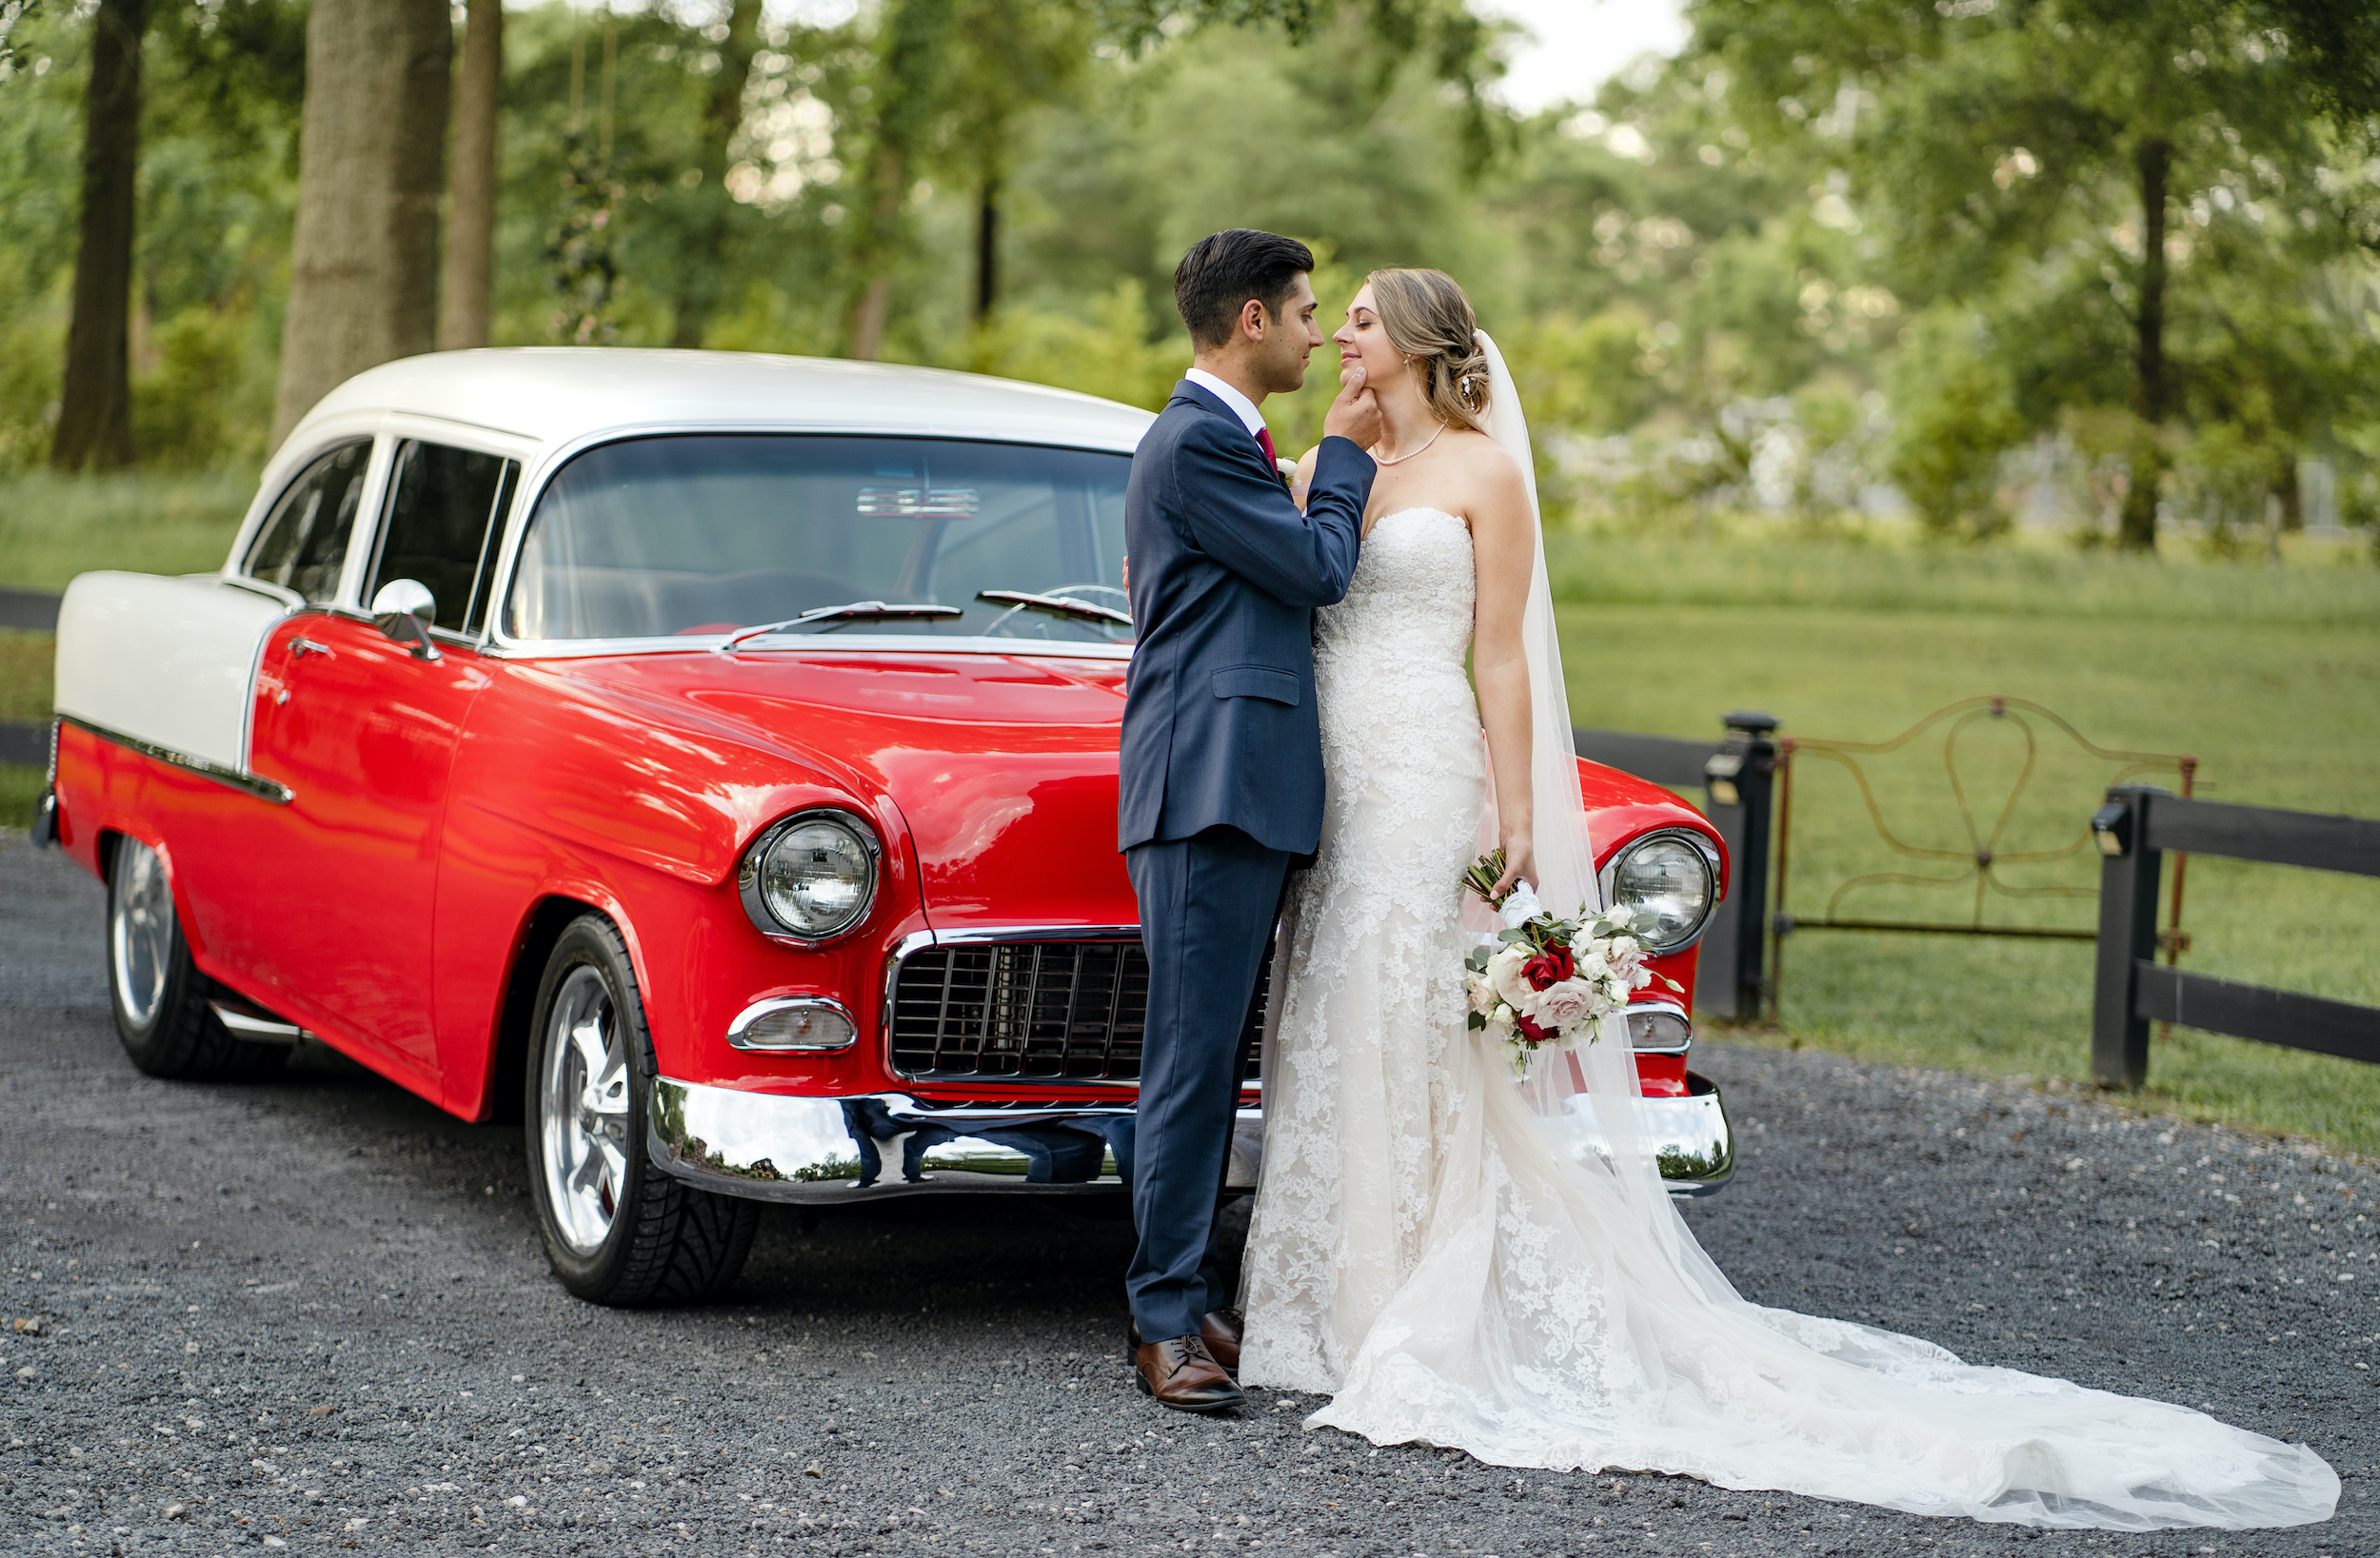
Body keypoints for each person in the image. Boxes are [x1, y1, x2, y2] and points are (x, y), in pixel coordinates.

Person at [1234, 265, 2340, 1531]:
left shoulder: (1483, 472)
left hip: (1425, 767)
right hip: (1340, 773)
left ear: (1423, 342)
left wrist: (1517, 810)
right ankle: (1321, 1304)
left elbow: (1498, 653)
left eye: (1361, 321)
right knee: (1331, 998)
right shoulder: (1340, 464)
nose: (1342, 338)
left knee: (1416, 1010)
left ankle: (1415, 1301)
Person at [1117, 229, 1383, 1413]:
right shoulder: (1195, 446)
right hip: (1205, 785)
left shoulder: (1222, 444)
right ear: (1250, 321)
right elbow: (1322, 567)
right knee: (1189, 1058)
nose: (1321, 331)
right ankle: (1161, 1318)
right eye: (1307, 312)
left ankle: (1187, 1291)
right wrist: (1345, 457)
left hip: (1246, 780)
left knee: (1217, 1056)